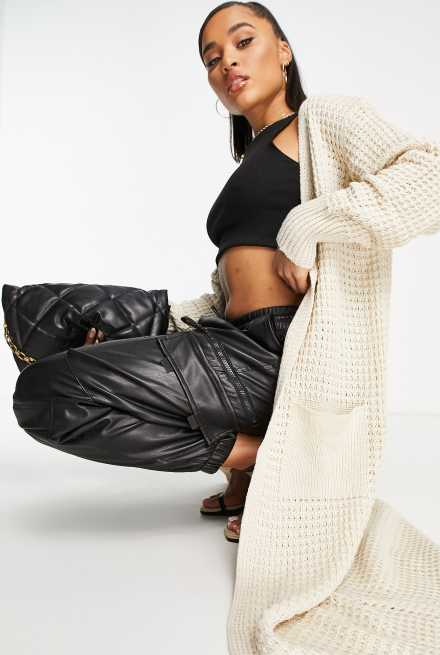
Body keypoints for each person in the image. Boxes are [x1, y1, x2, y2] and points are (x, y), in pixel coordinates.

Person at [12, 1, 309, 543]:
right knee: (41, 312)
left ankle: (257, 455)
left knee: (42, 395)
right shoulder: (255, 154)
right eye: (212, 58)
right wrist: (157, 325)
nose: (227, 63)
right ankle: (244, 462)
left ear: (284, 51)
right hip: (230, 335)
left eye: (244, 42)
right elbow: (235, 286)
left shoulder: (324, 124)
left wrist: (309, 228)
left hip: (271, 351)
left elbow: (431, 175)